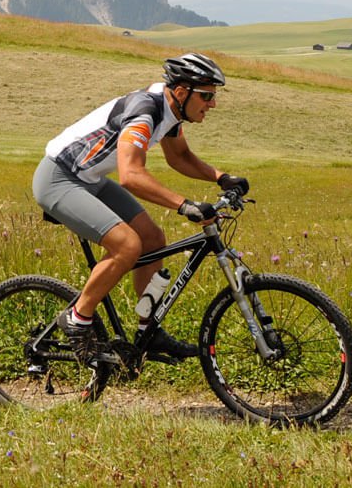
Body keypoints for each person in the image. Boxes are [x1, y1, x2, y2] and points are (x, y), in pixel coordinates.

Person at [35, 53, 248, 365]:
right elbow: (131, 176)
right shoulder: (145, 111)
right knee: (127, 245)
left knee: (152, 239)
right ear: (181, 92)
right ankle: (78, 319)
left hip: (88, 178)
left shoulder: (170, 113)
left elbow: (181, 157)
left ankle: (148, 330)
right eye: (206, 95)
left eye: (213, 96)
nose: (212, 104)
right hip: (58, 179)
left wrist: (222, 177)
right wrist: (185, 205)